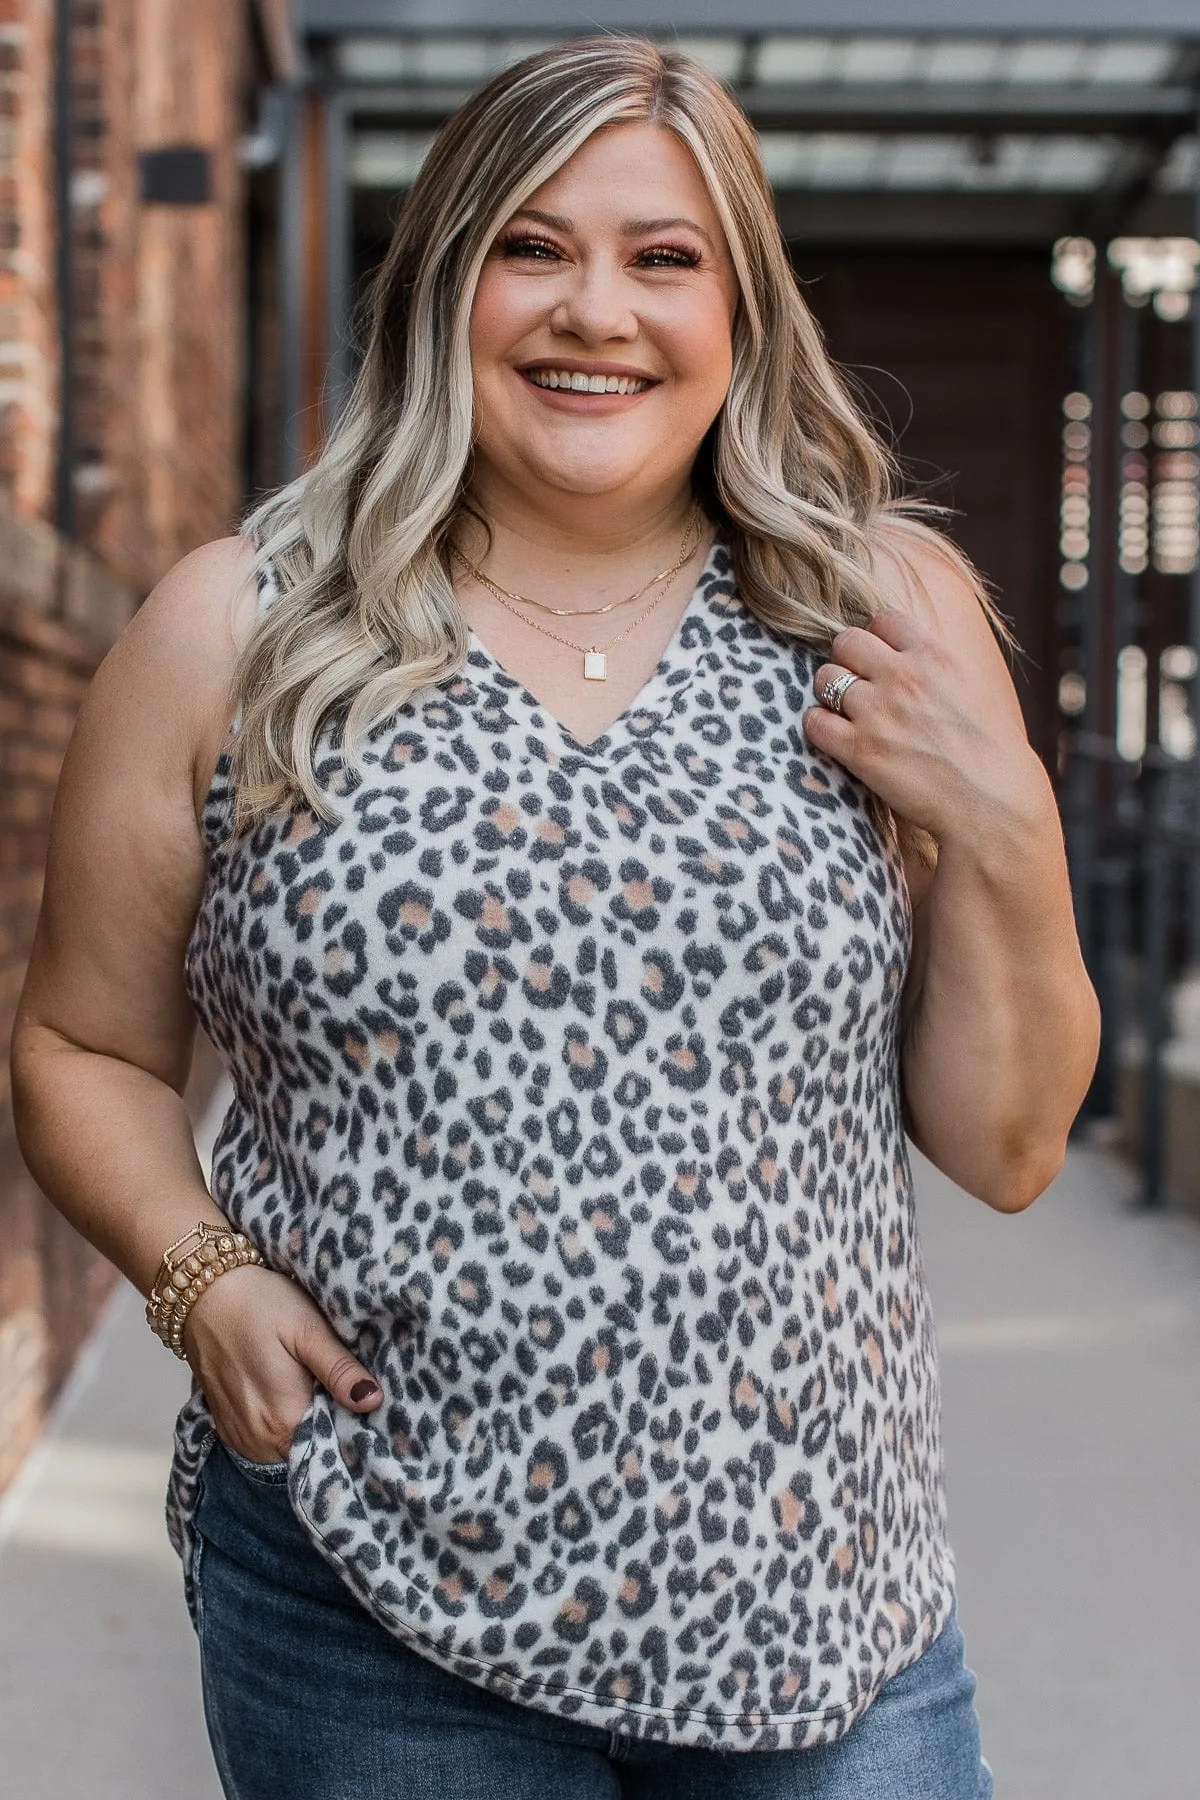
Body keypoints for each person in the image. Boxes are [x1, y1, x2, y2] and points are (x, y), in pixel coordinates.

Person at [12, 35, 1099, 1800]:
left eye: (665, 258)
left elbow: (1008, 1140)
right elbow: (79, 1043)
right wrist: (194, 1272)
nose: (598, 309)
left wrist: (1003, 818)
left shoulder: (876, 611)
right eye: (533, 245)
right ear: (447, 281)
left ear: (742, 312)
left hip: (821, 1607)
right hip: (374, 1603)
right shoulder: (241, 628)